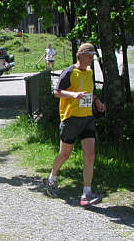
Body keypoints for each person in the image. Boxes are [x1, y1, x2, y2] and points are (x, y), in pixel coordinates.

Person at [44, 43, 105, 207]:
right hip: (70, 119)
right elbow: (56, 92)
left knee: (90, 155)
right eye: (89, 55)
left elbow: (89, 92)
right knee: (65, 154)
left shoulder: (90, 72)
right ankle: (52, 178)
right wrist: (73, 94)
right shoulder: (70, 71)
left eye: (93, 55)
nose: (91, 58)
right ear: (80, 56)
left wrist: (97, 102)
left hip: (87, 118)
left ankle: (86, 193)